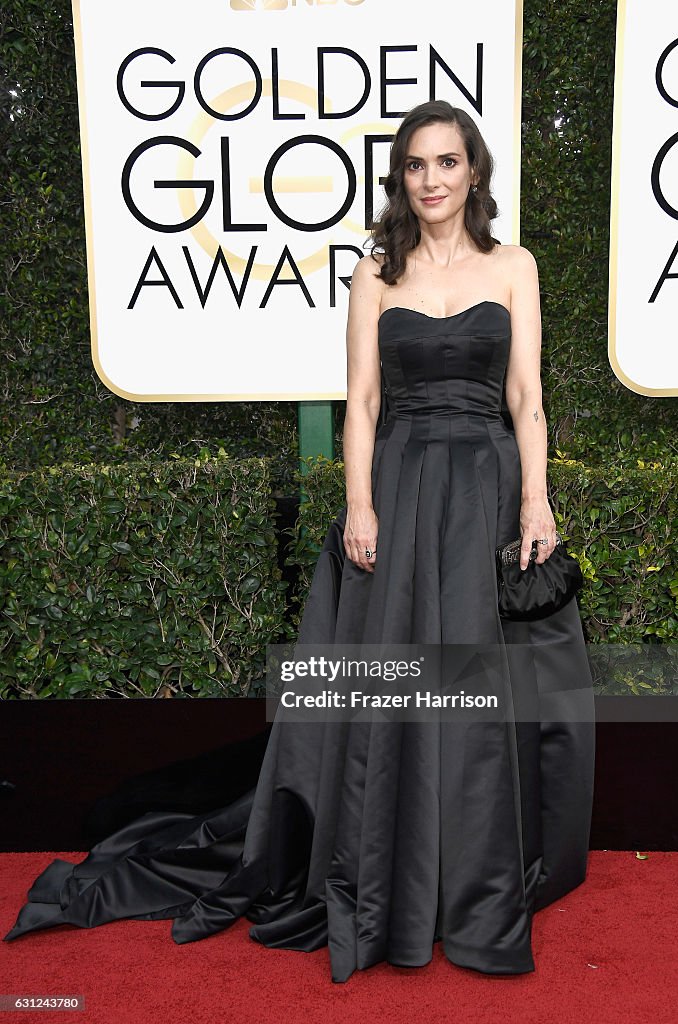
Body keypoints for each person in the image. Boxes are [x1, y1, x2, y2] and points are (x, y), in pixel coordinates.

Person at [3, 100, 595, 984]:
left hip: (484, 489)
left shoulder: (516, 266)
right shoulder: (374, 271)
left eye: (447, 162)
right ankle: (387, 866)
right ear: (400, 179)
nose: (431, 180)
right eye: (415, 166)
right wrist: (360, 503)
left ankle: (468, 878)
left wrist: (535, 503)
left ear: (474, 171)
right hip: (399, 484)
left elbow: (528, 398)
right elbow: (360, 401)